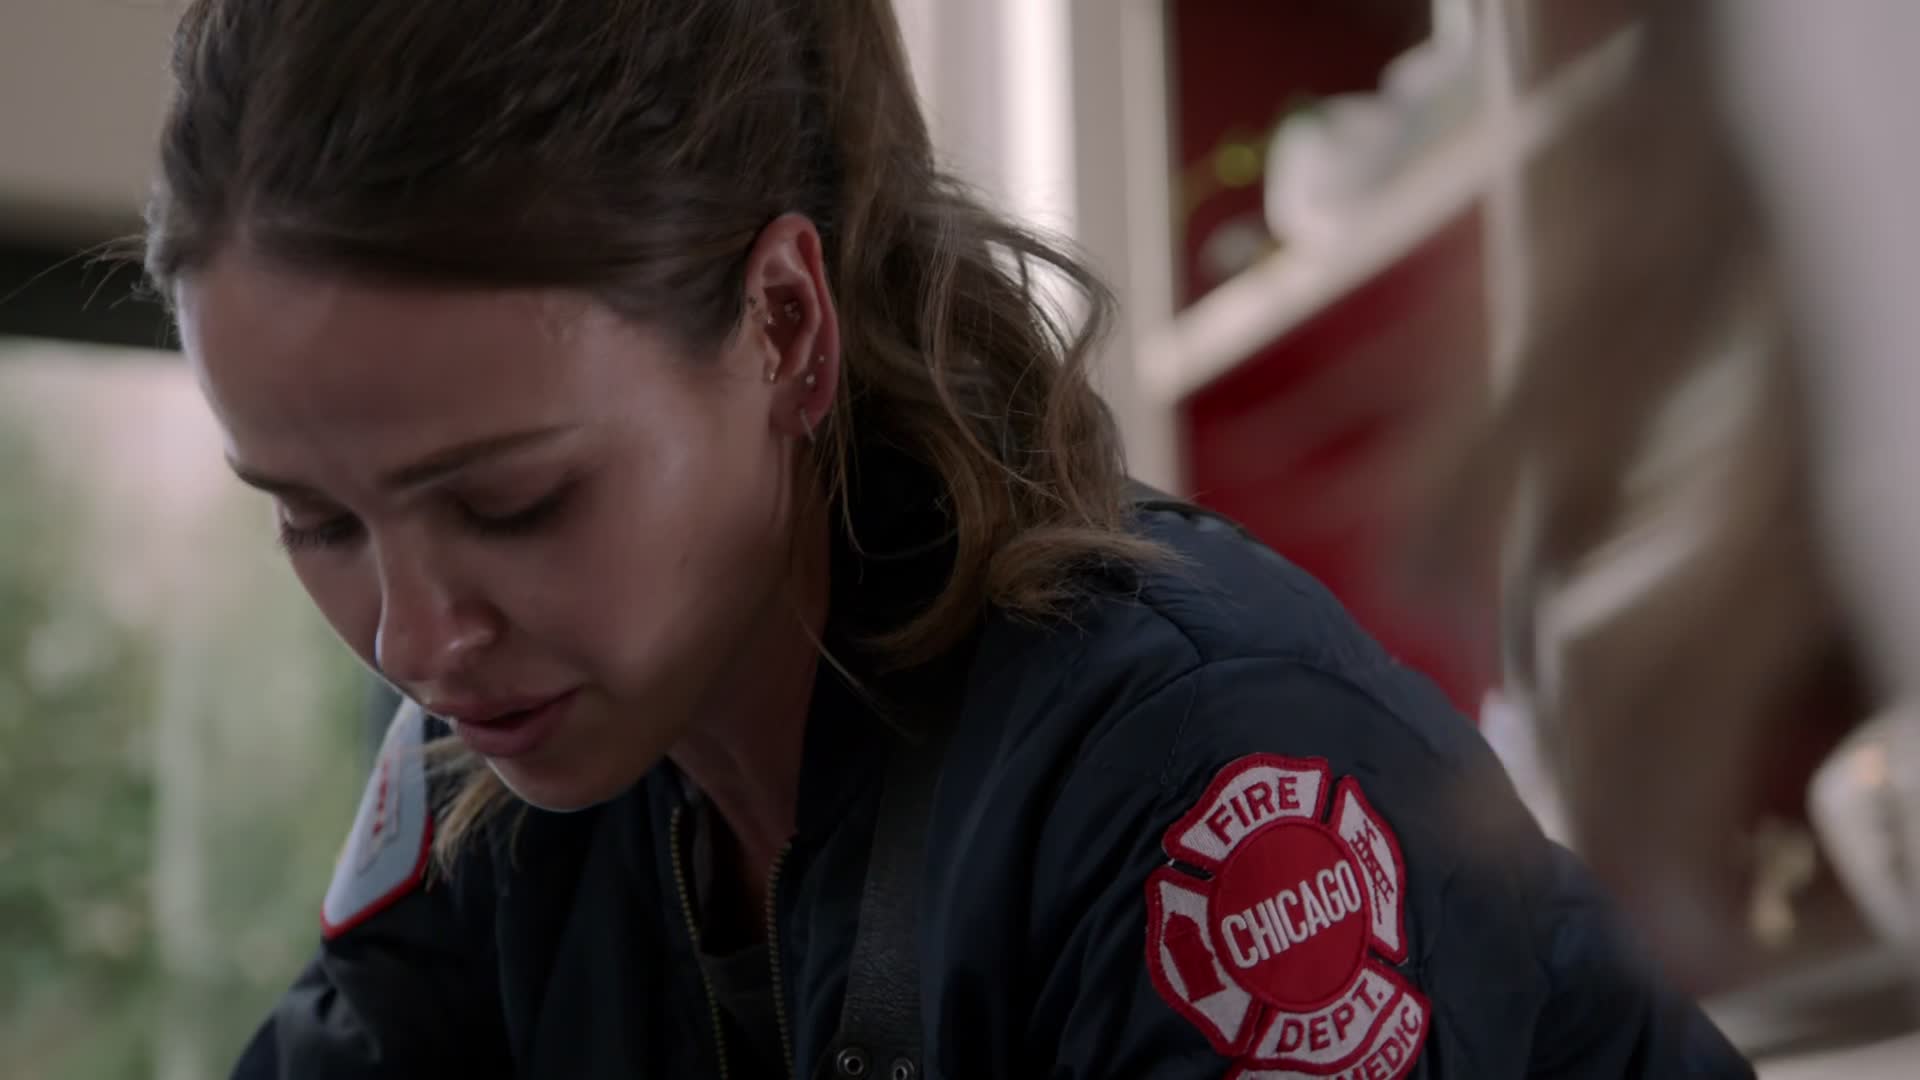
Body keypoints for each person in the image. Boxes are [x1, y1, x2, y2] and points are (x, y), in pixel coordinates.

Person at [145, 1, 1749, 1077]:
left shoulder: (1207, 782)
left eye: (513, 504)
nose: (415, 640)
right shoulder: (495, 807)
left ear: (783, 326)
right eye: (315, 519)